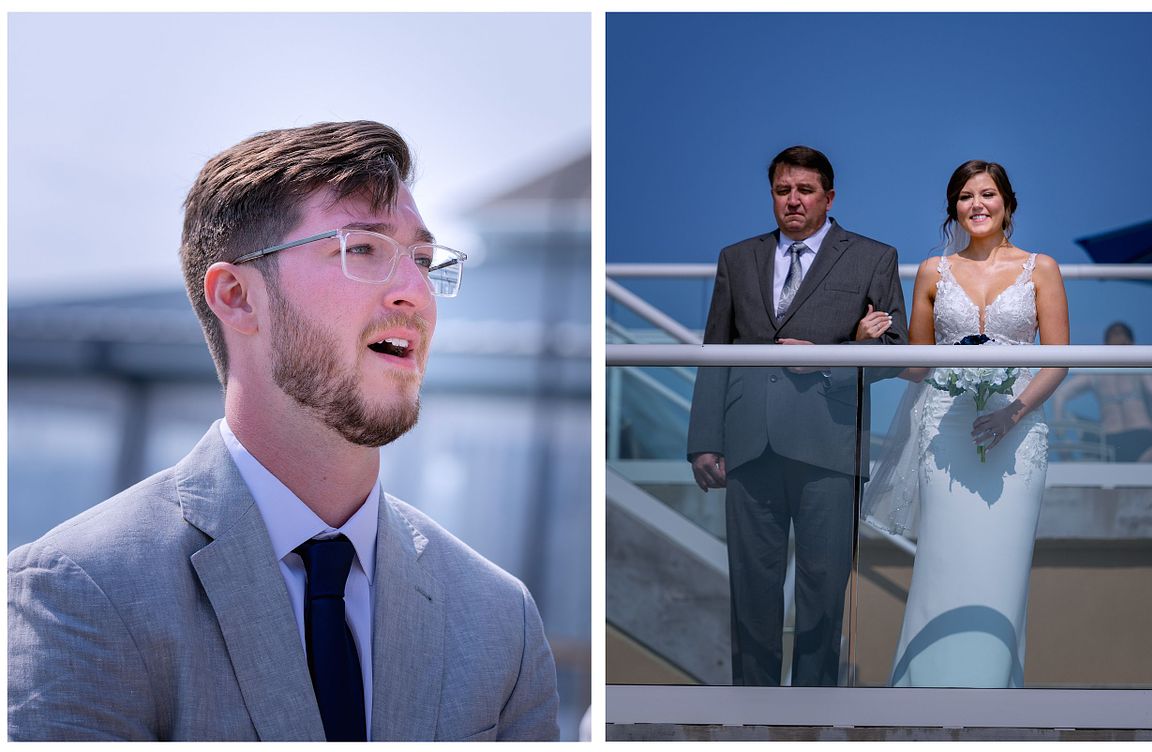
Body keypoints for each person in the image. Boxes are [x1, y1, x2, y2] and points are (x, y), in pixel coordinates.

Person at [8, 121, 559, 741]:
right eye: (362, 249)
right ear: (237, 296)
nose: (416, 293)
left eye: (424, 262)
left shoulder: (499, 619)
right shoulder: (83, 590)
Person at [687, 145, 908, 687]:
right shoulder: (737, 258)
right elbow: (715, 348)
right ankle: (753, 711)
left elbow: (895, 352)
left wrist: (829, 358)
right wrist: (704, 439)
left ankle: (813, 712)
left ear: (829, 198)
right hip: (749, 441)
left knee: (824, 588)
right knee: (751, 587)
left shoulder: (873, 257)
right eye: (782, 190)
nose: (793, 200)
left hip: (829, 445)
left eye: (805, 190)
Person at [869, 160, 1069, 688]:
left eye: (987, 194)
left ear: (1008, 203)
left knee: (1003, 563)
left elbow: (1058, 361)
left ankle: (991, 694)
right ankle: (925, 694)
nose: (976, 204)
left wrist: (1012, 413)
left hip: (1018, 434)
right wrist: (865, 345)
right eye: (964, 196)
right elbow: (917, 364)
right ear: (953, 209)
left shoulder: (1041, 268)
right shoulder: (932, 271)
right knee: (943, 559)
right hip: (944, 432)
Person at [1054, 322, 1152, 461]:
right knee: (1150, 475)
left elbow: (1061, 394)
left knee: (1111, 475)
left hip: (1110, 436)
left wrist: (1060, 431)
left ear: (1105, 345)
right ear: (1131, 343)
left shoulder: (1096, 372)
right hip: (1141, 431)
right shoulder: (1141, 365)